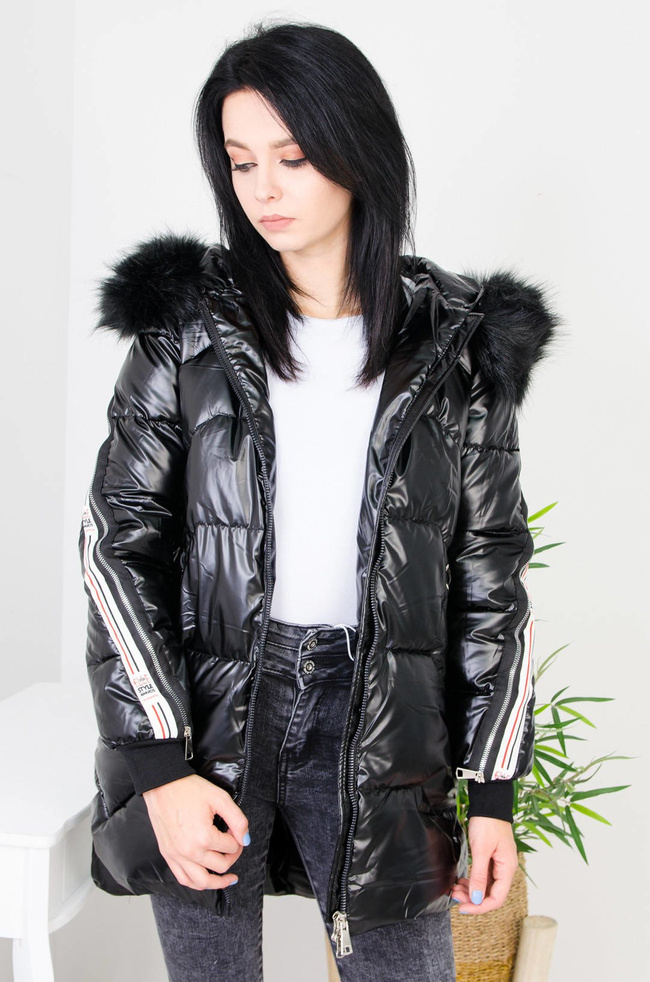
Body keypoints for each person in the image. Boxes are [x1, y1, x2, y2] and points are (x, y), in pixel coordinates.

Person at [79, 19, 560, 982]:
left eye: (293, 158)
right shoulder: (184, 331)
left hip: (384, 718)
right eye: (241, 161)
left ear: (357, 149)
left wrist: (494, 796)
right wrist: (161, 769)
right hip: (213, 711)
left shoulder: (458, 348)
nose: (263, 189)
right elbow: (116, 552)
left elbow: (492, 585)